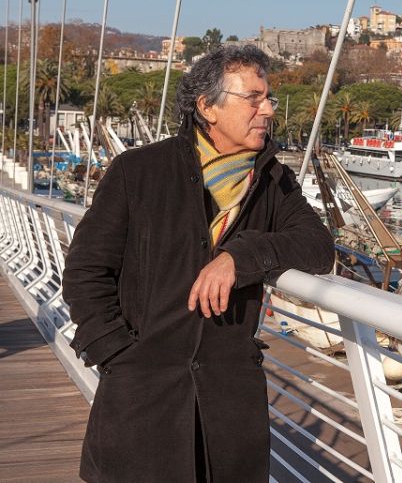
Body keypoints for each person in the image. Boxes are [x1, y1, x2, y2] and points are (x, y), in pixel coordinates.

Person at [62, 45, 335, 482]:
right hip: (141, 397)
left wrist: (239, 256)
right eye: (254, 98)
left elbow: (318, 247)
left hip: (227, 406)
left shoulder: (272, 181)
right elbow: (85, 271)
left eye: (269, 99)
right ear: (207, 106)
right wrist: (118, 355)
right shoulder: (139, 171)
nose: (267, 109)